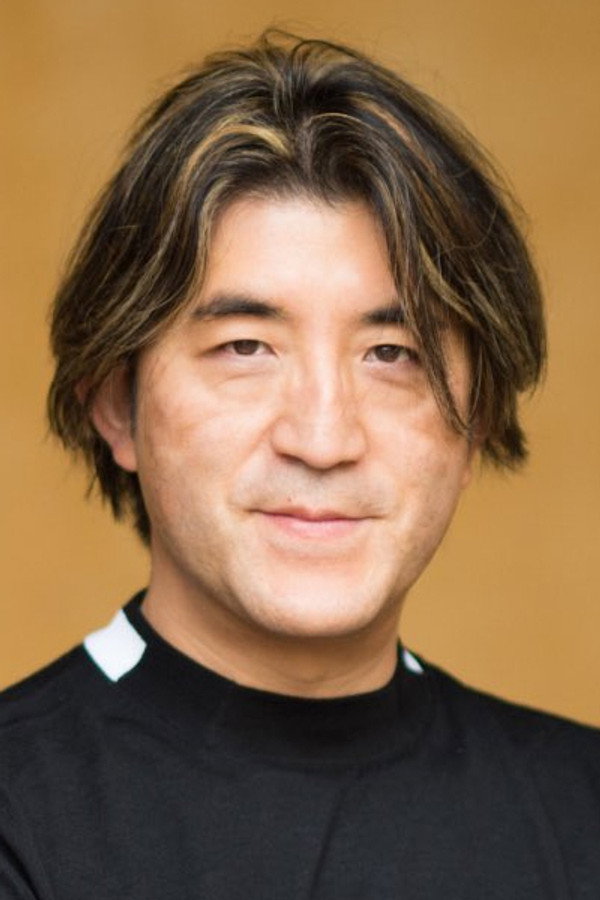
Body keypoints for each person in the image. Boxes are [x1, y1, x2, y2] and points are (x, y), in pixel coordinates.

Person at [1, 30, 598, 899]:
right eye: (246, 347)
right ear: (116, 404)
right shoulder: (21, 813)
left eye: (392, 354)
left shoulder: (581, 813)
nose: (323, 438)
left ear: (477, 423)